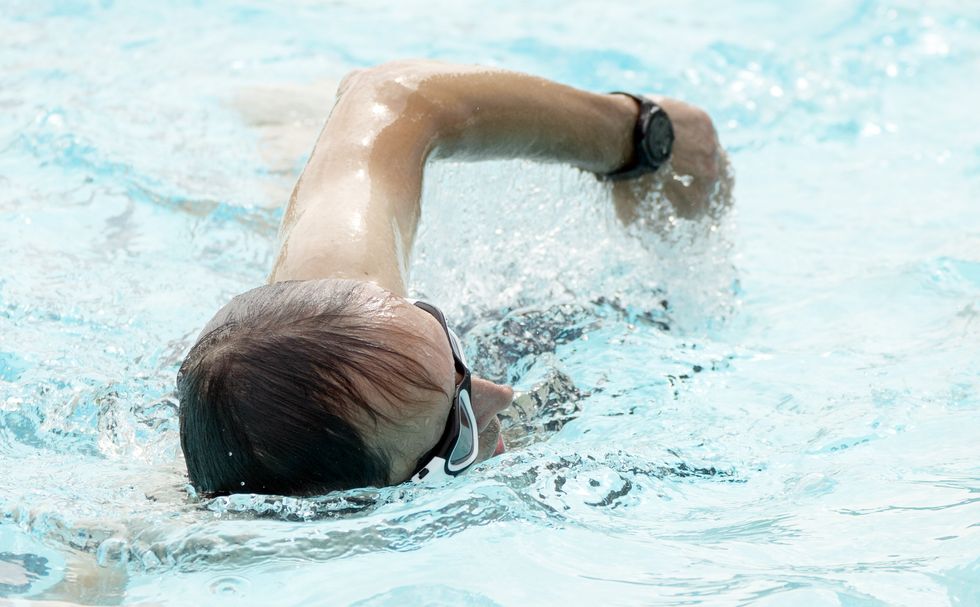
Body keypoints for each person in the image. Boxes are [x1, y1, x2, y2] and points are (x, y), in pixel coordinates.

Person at [177, 60, 726, 496]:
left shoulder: (336, 305)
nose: (501, 397)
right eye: (457, 428)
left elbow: (391, 96)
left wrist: (635, 136)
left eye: (444, 340)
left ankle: (282, 126)